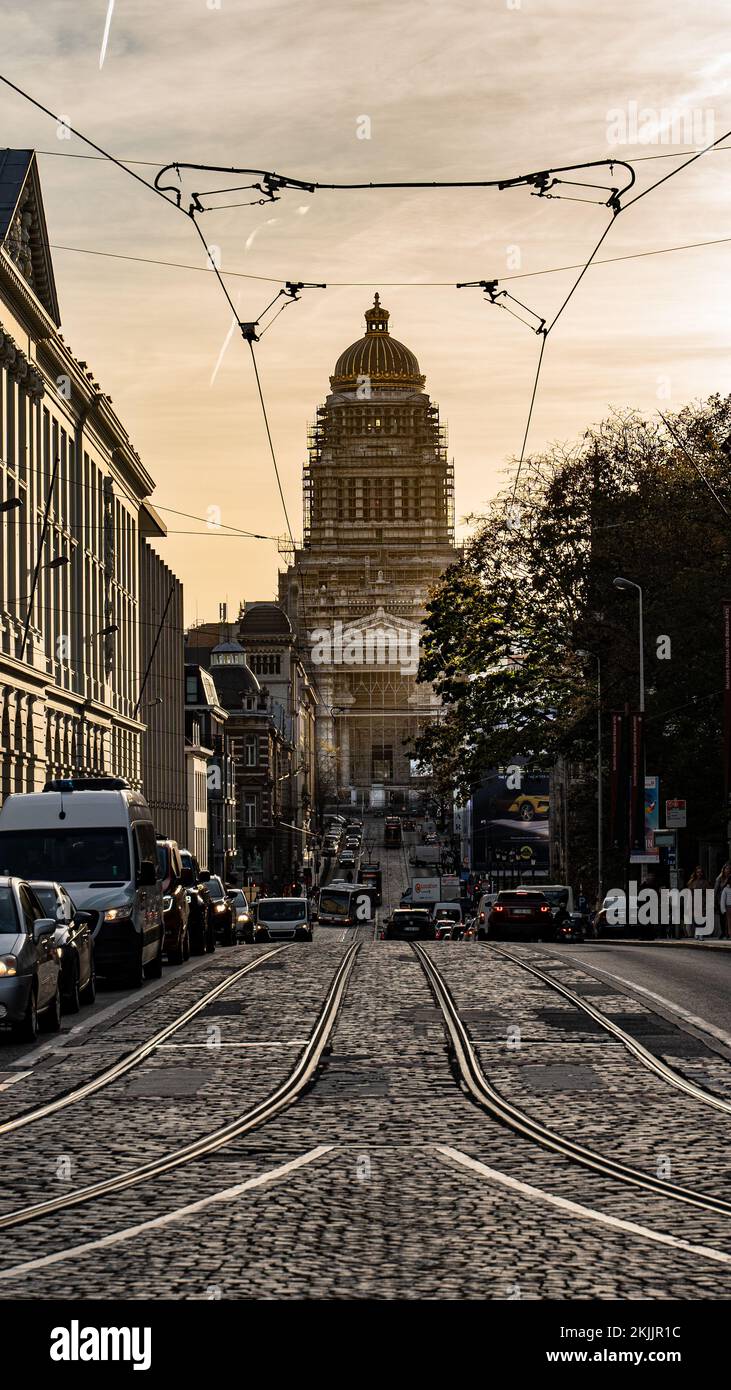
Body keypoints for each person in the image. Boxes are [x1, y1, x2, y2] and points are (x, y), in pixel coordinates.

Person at [686, 866, 712, 938]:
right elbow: (689, 893)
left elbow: (709, 893)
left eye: (701, 872)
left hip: (703, 902)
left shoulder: (706, 882)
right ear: (695, 873)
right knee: (696, 918)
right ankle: (697, 931)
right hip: (694, 902)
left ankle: (700, 933)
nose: (699, 873)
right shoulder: (692, 882)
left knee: (702, 917)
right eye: (698, 872)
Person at [714, 863, 731, 938]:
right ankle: (723, 932)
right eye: (726, 869)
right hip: (720, 900)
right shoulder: (719, 878)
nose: (728, 870)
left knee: (728, 918)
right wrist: (714, 900)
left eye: (729, 869)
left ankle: (727, 933)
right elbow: (716, 890)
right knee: (722, 917)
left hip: (729, 900)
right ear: (723, 870)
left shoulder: (730, 877)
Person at [720, 874, 731, 941]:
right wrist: (723, 909)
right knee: (729, 922)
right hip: (728, 907)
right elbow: (722, 900)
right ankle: (729, 934)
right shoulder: (726, 889)